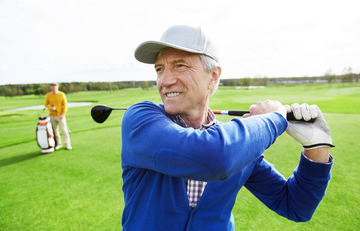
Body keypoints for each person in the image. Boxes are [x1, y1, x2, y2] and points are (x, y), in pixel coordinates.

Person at [121, 25, 334, 230]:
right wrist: (274, 118)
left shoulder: (239, 144)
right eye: (160, 69)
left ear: (213, 77)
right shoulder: (140, 119)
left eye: (180, 65)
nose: (164, 80)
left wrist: (317, 148)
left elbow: (295, 206)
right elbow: (214, 156)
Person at [45, 82, 72, 150]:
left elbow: (65, 105)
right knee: (55, 131)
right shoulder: (48, 95)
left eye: (55, 85)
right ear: (50, 87)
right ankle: (58, 144)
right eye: (52, 86)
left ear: (57, 86)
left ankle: (67, 144)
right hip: (52, 116)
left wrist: (63, 114)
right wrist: (50, 107)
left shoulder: (61, 94)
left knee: (64, 130)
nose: (53, 87)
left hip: (60, 116)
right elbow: (46, 104)